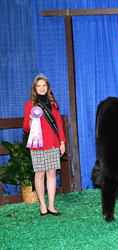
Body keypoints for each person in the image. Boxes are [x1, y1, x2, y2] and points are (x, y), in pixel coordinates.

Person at [23, 74, 66, 216]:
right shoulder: (30, 105)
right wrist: (30, 121)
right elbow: (26, 128)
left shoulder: (54, 103)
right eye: (39, 86)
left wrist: (62, 142)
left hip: (53, 142)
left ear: (48, 88)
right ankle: (42, 204)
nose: (42, 88)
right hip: (38, 144)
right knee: (40, 174)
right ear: (35, 88)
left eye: (44, 85)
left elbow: (59, 124)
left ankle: (52, 205)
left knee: (52, 173)